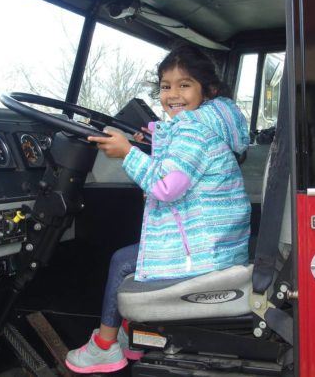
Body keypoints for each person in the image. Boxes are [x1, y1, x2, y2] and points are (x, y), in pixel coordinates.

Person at [65, 44, 251, 374]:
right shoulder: (212, 123)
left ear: (207, 90)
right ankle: (133, 339)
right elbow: (183, 161)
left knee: (122, 262)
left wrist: (127, 153)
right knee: (132, 258)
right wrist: (150, 142)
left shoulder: (193, 130)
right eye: (166, 86)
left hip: (202, 252)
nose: (173, 95)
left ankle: (105, 346)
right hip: (219, 245)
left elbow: (167, 188)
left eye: (185, 85)